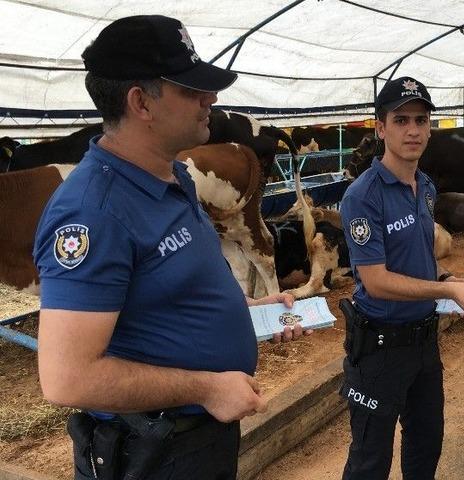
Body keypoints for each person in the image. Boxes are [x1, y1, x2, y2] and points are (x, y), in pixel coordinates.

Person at [34, 15, 307, 480]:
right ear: (141, 102)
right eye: (190, 89)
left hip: (195, 439)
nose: (211, 99)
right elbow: (67, 378)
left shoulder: (174, 175)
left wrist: (248, 309)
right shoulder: (92, 212)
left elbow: (171, 287)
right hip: (153, 453)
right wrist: (207, 387)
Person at [338, 76, 464, 479]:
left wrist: (449, 277)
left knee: (426, 446)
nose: (413, 130)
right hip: (380, 347)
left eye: (421, 120)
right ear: (380, 127)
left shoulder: (424, 186)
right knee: (370, 461)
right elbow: (375, 281)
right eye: (401, 119)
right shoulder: (362, 195)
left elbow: (420, 256)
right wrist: (445, 289)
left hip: (424, 342)